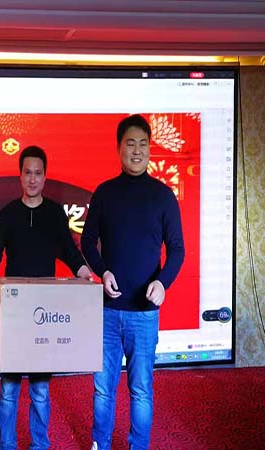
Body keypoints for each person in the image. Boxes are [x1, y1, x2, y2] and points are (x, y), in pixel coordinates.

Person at [81, 114, 185, 450]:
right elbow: (87, 241)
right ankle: (100, 443)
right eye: (130, 143)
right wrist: (102, 271)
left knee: (140, 390)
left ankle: (138, 445)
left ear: (150, 149)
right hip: (107, 312)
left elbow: (178, 249)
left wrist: (163, 283)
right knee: (103, 388)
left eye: (143, 143)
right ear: (119, 148)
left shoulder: (163, 195)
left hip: (144, 314)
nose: (137, 150)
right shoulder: (105, 192)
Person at [0, 145, 93, 450]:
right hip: (14, 313)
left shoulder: (55, 213)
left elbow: (69, 251)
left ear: (45, 177)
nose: (32, 179)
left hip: (45, 314)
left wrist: (83, 271)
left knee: (41, 391)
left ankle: (39, 445)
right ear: (20, 176)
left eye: (38, 173)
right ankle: (7, 445)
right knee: (9, 390)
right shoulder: (8, 214)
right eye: (27, 173)